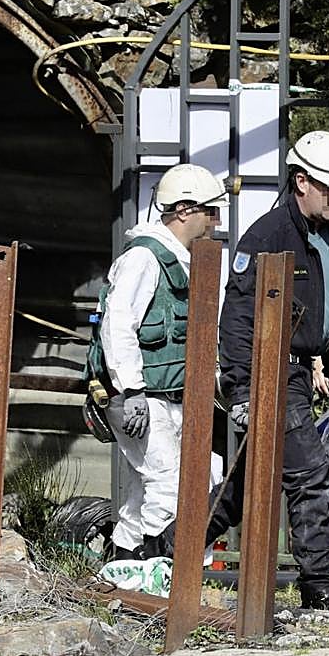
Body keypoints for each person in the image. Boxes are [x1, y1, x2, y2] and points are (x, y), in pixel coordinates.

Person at [213, 130, 329, 611]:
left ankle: (163, 549)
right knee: (310, 476)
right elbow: (237, 317)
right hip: (271, 374)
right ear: (301, 182)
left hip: (301, 374)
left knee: (245, 488)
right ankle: (321, 589)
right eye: (328, 187)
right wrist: (241, 389)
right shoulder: (269, 236)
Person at [100, 163, 229, 561]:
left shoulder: (187, 260)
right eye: (211, 211)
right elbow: (117, 323)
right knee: (170, 485)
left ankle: (124, 559)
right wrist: (132, 390)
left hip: (175, 396)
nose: (216, 221)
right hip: (143, 399)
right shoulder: (143, 257)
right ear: (184, 210)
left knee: (168, 483)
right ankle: (160, 572)